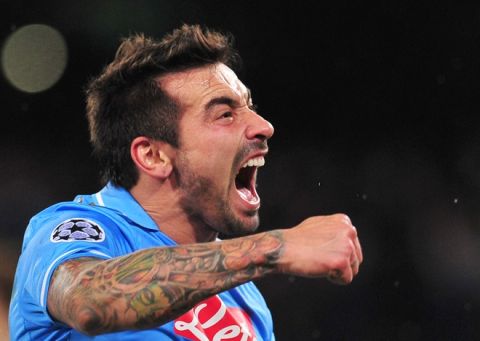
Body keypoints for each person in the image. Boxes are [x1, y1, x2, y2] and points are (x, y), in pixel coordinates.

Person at [9, 24, 363, 340]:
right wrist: (274, 248)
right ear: (153, 156)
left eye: (250, 107)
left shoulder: (245, 299)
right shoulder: (72, 230)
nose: (263, 126)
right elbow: (89, 301)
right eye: (225, 114)